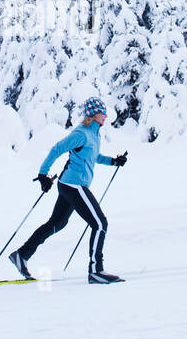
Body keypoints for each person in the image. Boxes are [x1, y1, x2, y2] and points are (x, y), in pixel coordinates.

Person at [9, 97, 128, 284]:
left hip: (71, 185)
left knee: (57, 223)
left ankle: (21, 255)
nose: (105, 115)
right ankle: (96, 271)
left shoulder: (94, 134)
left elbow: (93, 156)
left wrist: (113, 161)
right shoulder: (81, 133)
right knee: (100, 223)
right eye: (102, 112)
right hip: (74, 185)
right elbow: (57, 149)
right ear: (93, 114)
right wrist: (43, 174)